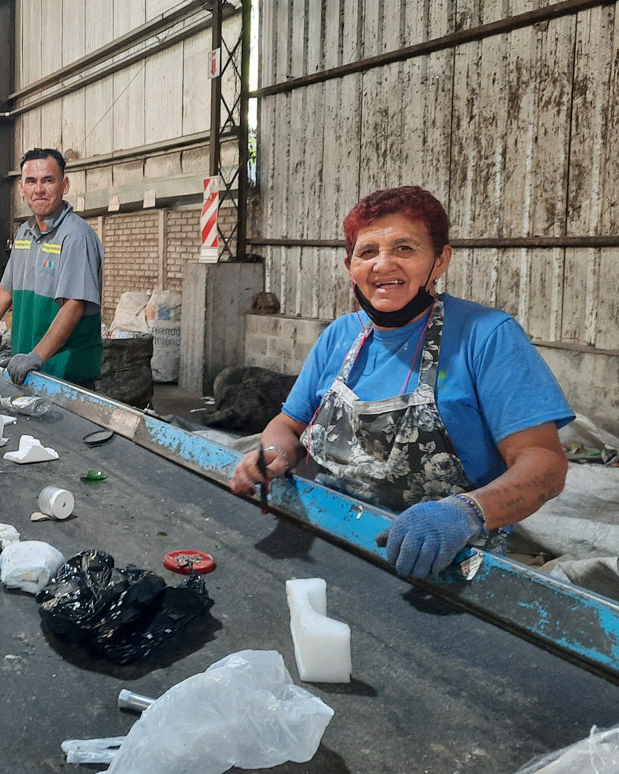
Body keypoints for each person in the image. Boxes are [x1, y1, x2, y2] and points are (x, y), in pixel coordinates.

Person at [230, 186, 573, 580]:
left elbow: (545, 464)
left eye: (405, 249)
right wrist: (273, 453)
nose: (383, 265)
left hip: (446, 565)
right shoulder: (340, 336)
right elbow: (288, 424)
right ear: (350, 266)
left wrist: (464, 512)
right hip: (330, 541)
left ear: (440, 260)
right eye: (368, 252)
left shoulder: (487, 336)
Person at [0, 147, 103, 388]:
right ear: (21, 188)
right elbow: (5, 292)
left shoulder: (75, 236)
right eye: (31, 181)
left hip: (66, 372)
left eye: (48, 180)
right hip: (27, 365)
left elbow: (74, 305)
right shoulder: (26, 234)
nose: (39, 189)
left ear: (65, 185)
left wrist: (37, 355)